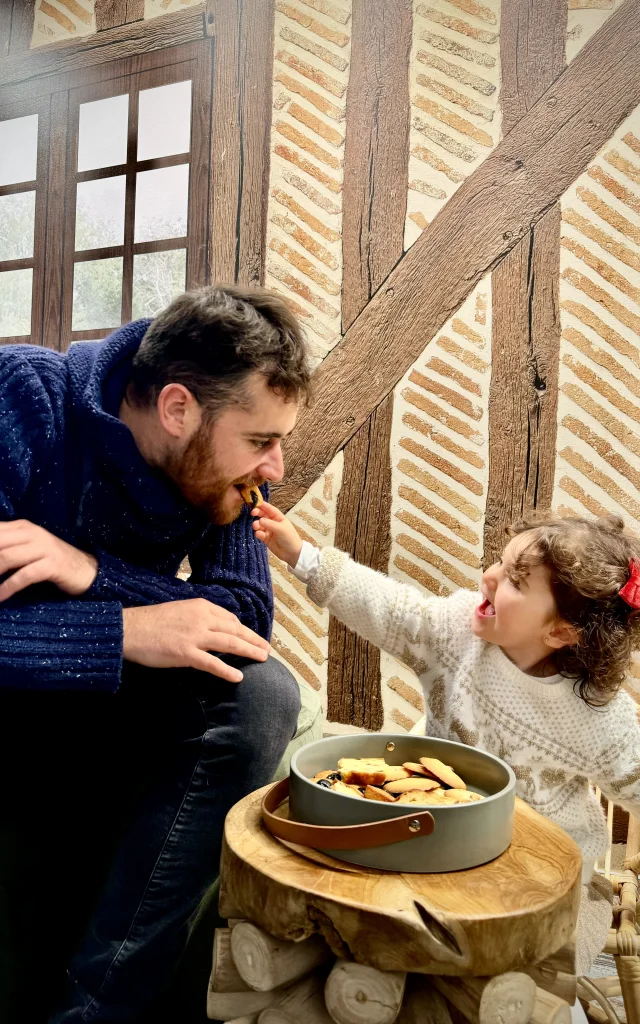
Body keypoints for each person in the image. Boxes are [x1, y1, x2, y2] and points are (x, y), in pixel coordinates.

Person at [0, 285, 311, 1023]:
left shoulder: (221, 480)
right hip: (17, 696)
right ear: (178, 409)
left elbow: (240, 620)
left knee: (262, 691)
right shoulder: (27, 399)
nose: (276, 469)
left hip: (100, 701)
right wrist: (124, 632)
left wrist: (92, 574)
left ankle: (95, 1011)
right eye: (261, 440)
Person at [252, 501, 640, 974]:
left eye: (516, 581)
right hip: (435, 849)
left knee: (511, 975)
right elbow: (392, 611)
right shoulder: (458, 633)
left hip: (534, 875)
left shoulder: (598, 716)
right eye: (500, 560)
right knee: (374, 939)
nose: (490, 577)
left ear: (561, 631)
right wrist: (302, 555)